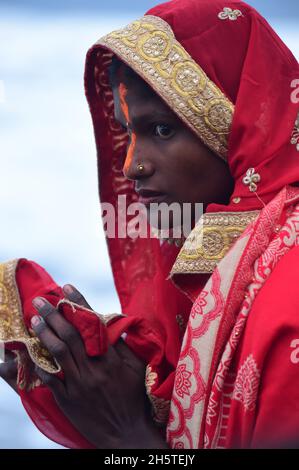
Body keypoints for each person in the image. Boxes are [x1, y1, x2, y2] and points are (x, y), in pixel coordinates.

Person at [1, 0, 299, 449]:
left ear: (236, 121)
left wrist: (128, 434)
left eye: (161, 130)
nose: (132, 165)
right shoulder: (221, 274)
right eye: (128, 132)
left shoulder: (287, 305)